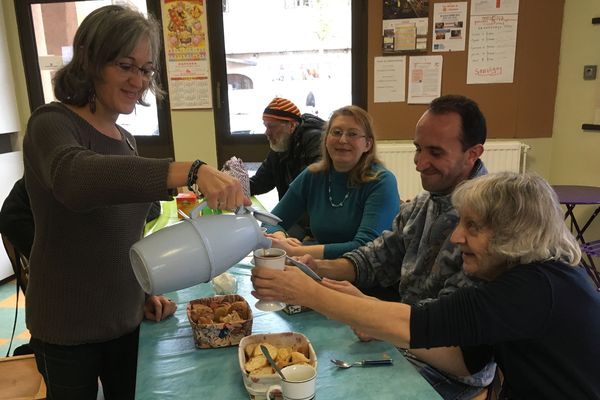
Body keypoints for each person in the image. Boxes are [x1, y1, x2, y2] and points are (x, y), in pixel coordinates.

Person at [22, 5, 249, 399]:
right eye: (126, 66)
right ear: (91, 61)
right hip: (67, 327)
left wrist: (143, 292)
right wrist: (190, 170)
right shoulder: (51, 124)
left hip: (125, 321)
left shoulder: (126, 140)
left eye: (145, 70)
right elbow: (76, 179)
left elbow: (122, 233)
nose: (138, 81)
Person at [252, 172, 600, 399]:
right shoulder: (519, 278)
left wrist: (308, 292)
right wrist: (371, 319)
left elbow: (417, 324)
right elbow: (466, 362)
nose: (456, 236)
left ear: (515, 233)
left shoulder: (534, 288)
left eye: (473, 226)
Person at [285, 95, 495, 398]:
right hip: (400, 339)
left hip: (448, 369)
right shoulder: (423, 204)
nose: (420, 163)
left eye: (435, 152)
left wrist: (372, 313)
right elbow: (374, 258)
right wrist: (315, 268)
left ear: (472, 153)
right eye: (418, 149)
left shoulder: (489, 221)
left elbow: (453, 332)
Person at [263, 105, 400, 259]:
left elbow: (366, 247)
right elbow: (270, 222)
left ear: (367, 144)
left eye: (353, 134)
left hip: (365, 275)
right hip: (318, 265)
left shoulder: (382, 181)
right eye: (336, 132)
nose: (342, 140)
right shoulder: (313, 175)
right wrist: (281, 239)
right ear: (326, 138)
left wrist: (295, 251)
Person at [249, 97, 325, 238]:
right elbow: (260, 182)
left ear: (291, 126)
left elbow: (310, 188)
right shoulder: (281, 146)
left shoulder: (315, 141)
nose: (267, 132)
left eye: (271, 126)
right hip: (296, 216)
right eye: (265, 126)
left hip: (315, 222)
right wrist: (233, 185)